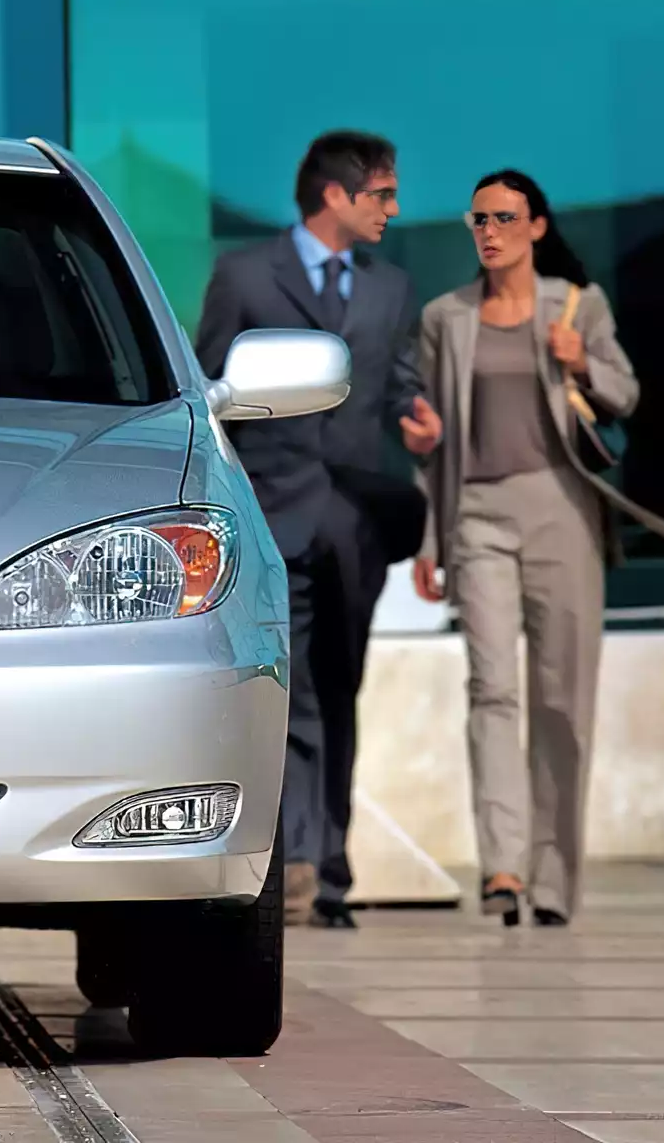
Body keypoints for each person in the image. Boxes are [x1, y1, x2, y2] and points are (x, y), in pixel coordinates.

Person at [411, 170, 664, 927]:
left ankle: (554, 879)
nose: (489, 231)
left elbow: (625, 394)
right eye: (478, 219)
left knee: (562, 699)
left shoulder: (578, 305)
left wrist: (580, 359)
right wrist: (431, 536)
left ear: (535, 226)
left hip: (562, 509)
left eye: (504, 218)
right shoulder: (445, 317)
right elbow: (434, 443)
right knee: (491, 688)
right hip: (478, 515)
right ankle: (503, 866)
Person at [195, 130, 443, 929]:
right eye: (382, 194)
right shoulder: (243, 276)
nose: (393, 209)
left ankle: (330, 870)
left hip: (354, 523)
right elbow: (211, 390)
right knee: (288, 690)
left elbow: (397, 383)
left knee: (340, 690)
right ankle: (296, 861)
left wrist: (416, 418)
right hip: (272, 517)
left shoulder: (390, 288)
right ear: (336, 194)